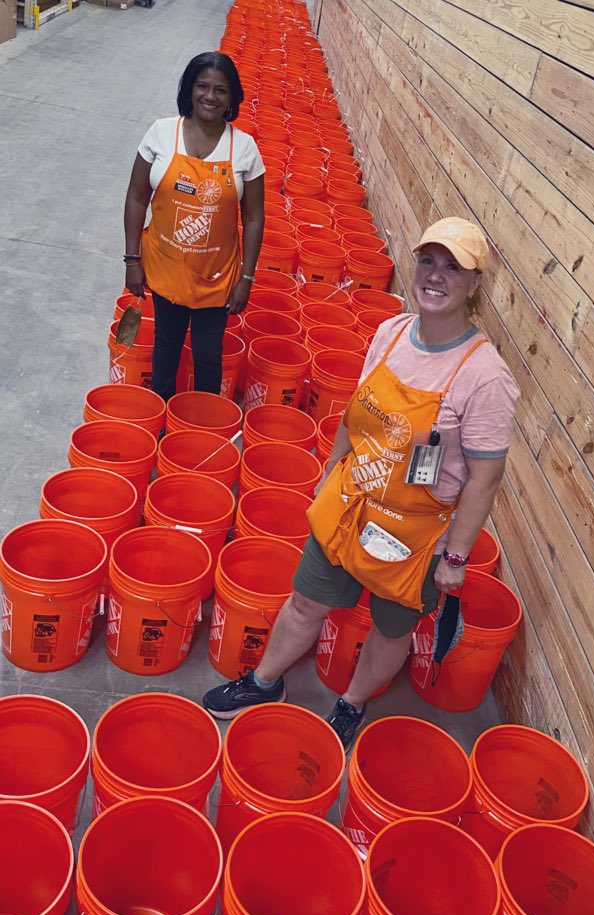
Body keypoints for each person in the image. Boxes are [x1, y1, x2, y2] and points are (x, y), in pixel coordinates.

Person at [203, 218, 520, 749]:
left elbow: (485, 480)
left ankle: (351, 703)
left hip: (415, 535)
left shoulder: (485, 376)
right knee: (305, 602)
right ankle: (263, 683)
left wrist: (456, 558)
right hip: (351, 502)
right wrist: (329, 476)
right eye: (427, 261)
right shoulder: (391, 333)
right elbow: (355, 416)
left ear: (474, 284)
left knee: (392, 628)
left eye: (453, 267)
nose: (435, 276)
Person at [123, 52, 265, 400]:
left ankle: (204, 423)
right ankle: (162, 416)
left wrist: (246, 279)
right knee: (166, 344)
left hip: (216, 276)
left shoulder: (244, 148)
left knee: (207, 354)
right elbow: (137, 198)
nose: (210, 96)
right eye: (202, 86)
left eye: (221, 90)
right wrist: (132, 260)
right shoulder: (161, 134)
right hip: (165, 265)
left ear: (232, 98)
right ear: (189, 89)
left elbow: (254, 217)